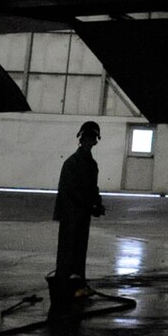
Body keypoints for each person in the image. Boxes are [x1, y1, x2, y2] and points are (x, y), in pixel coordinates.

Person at [53, 121, 106, 283]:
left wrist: (97, 203)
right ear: (82, 140)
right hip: (71, 214)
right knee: (68, 249)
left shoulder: (91, 164)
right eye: (88, 139)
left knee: (79, 248)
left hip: (81, 213)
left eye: (92, 139)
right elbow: (69, 190)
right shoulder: (72, 163)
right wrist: (90, 205)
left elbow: (92, 188)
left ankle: (76, 282)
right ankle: (63, 283)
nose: (90, 142)